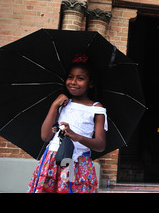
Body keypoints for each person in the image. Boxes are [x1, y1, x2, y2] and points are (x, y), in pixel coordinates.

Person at [27, 54, 107, 193]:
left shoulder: (96, 108)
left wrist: (77, 136)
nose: (73, 82)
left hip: (77, 163)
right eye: (70, 77)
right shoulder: (63, 103)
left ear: (91, 83)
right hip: (52, 160)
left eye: (80, 78)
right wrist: (54, 105)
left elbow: (100, 145)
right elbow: (45, 136)